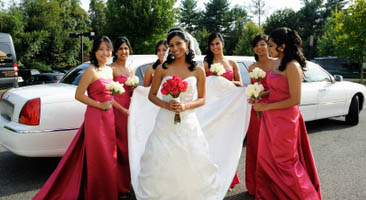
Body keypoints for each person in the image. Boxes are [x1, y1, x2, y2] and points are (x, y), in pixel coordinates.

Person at [135, 28, 220, 199]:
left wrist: (185, 106)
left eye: (178, 44)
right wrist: (166, 105)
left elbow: (203, 99)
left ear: (187, 44)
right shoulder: (162, 68)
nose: (175, 48)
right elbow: (151, 95)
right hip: (165, 122)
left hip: (188, 122)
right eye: (171, 45)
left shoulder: (198, 70)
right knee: (162, 159)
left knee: (190, 160)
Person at [33, 36, 118, 200]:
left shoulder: (109, 70)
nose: (105, 52)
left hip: (109, 118)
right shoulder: (91, 71)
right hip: (95, 117)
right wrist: (99, 105)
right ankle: (95, 194)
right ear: (94, 51)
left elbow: (111, 93)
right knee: (97, 157)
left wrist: (113, 100)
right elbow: (78, 95)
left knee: (109, 157)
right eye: (101, 48)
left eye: (108, 49)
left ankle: (108, 193)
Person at [252, 27, 321, 199]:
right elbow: (277, 90)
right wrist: (263, 94)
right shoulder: (276, 63)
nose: (267, 49)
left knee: (284, 162)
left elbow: (295, 100)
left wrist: (265, 107)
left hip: (285, 120)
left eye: (270, 45)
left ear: (282, 46)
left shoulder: (293, 66)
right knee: (266, 159)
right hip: (270, 118)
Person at [203, 32, 242, 191]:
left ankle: (229, 178)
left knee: (228, 143)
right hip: (212, 108)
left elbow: (240, 82)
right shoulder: (206, 63)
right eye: (212, 44)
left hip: (230, 109)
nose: (215, 47)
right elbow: (203, 85)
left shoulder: (232, 62)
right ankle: (213, 178)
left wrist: (226, 83)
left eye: (217, 43)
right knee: (213, 142)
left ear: (223, 44)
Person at [245, 34, 279, 196]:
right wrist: (252, 95)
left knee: (272, 147)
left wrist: (263, 94)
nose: (259, 48)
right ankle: (256, 185)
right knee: (256, 145)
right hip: (256, 111)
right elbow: (252, 87)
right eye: (256, 45)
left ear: (268, 46)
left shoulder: (276, 64)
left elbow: (279, 88)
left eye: (262, 44)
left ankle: (273, 184)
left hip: (272, 109)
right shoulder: (252, 68)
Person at [110, 36, 134, 199]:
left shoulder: (130, 70)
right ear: (116, 52)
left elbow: (131, 92)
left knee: (128, 150)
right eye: (120, 49)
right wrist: (123, 110)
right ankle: (116, 186)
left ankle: (126, 185)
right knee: (117, 149)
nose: (124, 51)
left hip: (129, 112)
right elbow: (108, 96)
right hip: (116, 111)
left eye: (126, 48)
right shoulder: (111, 69)